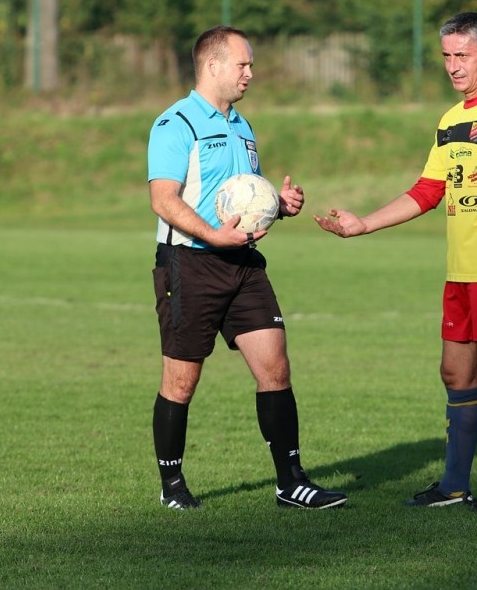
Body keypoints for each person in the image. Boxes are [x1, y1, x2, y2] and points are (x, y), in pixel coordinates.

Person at [314, 12, 477, 510]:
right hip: (460, 273)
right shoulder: (449, 121)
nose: (452, 66)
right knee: (455, 374)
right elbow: (428, 191)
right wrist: (364, 224)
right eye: (446, 56)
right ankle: (453, 486)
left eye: (462, 55)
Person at [147, 25, 347, 510]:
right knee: (181, 381)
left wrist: (279, 204)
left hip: (243, 263)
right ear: (212, 65)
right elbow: (163, 199)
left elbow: (243, 197)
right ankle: (172, 485)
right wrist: (212, 234)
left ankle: (291, 483)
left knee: (275, 366)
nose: (250, 73)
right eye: (243, 64)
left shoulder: (241, 125)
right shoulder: (176, 124)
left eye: (251, 65)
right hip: (189, 264)